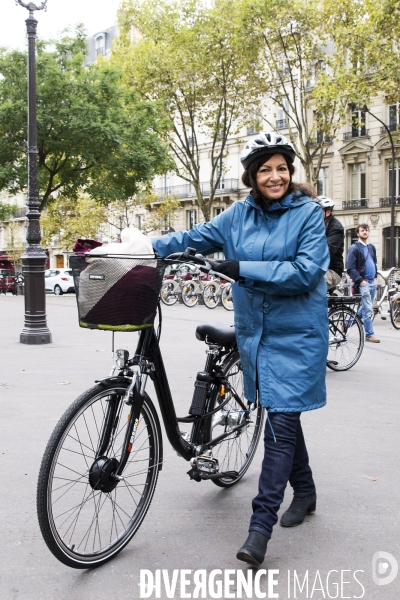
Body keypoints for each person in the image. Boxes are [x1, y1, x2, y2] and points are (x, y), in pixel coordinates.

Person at [151, 132, 329, 566]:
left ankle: (259, 529)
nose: (275, 176)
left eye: (282, 168)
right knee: (281, 413)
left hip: (297, 334)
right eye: (265, 169)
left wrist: (239, 267)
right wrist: (141, 248)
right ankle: (304, 492)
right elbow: (192, 237)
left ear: (291, 172)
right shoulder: (236, 215)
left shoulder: (307, 213)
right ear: (252, 175)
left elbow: (305, 272)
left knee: (280, 425)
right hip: (256, 333)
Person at [346, 223, 380, 343]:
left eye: (366, 230)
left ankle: (346, 323)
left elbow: (374, 263)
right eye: (362, 230)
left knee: (365, 308)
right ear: (358, 233)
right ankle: (369, 334)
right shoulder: (354, 248)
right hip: (363, 284)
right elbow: (350, 268)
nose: (365, 232)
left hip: (372, 283)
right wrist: (361, 281)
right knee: (367, 310)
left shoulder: (371, 247)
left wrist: (375, 278)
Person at [317, 196, 344, 292]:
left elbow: (326, 251)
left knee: (311, 284)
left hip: (332, 271)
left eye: (318, 210)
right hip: (319, 268)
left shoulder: (336, 228)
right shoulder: (317, 225)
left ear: (328, 212)